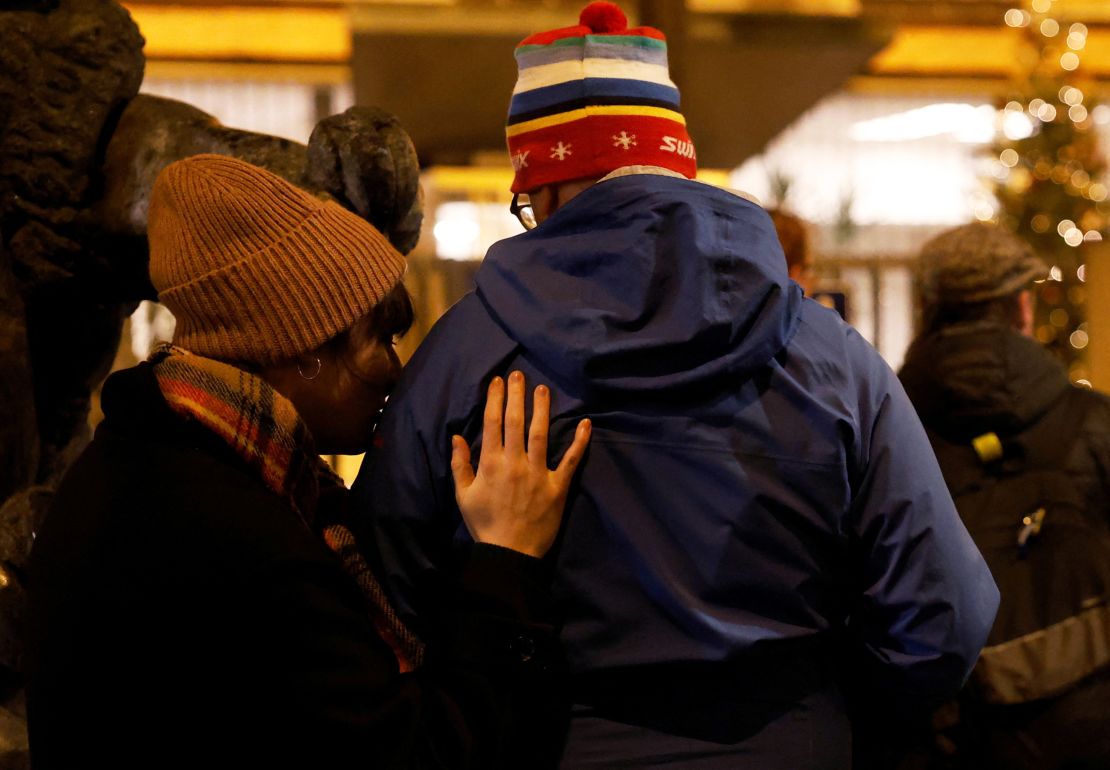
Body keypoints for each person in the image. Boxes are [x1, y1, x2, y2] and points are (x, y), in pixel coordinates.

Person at [355, 4, 999, 767]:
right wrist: (821, 707)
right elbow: (943, 615)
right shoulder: (832, 358)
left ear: (548, 185)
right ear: (678, 165)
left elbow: (381, 596)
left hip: (553, 745)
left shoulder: (465, 357)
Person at [26, 154, 590, 770]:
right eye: (382, 340)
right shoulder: (230, 535)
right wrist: (506, 561)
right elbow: (419, 754)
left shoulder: (151, 465)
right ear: (306, 349)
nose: (396, 374)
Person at [899, 222, 1110, 770]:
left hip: (941, 731)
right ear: (1021, 307)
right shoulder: (1094, 425)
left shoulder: (890, 431)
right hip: (1089, 722)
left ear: (927, 311)